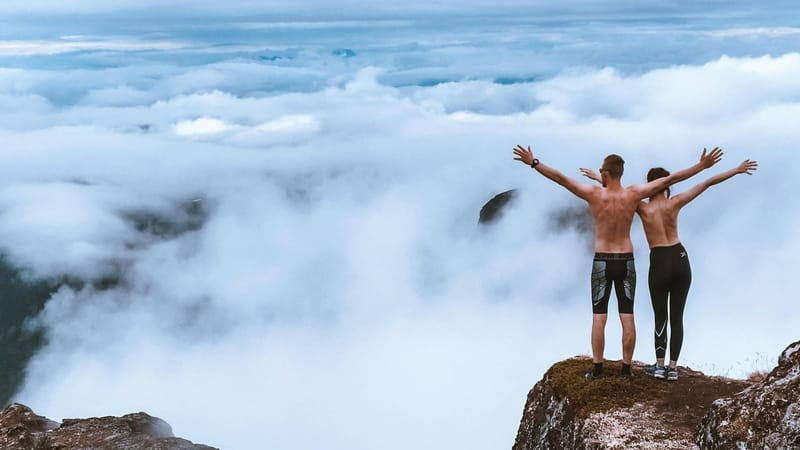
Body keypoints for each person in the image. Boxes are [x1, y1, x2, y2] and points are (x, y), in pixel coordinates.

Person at [513, 145, 723, 379]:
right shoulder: (633, 195)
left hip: (602, 260)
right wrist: (700, 167)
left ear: (605, 173)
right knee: (627, 315)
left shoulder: (593, 194)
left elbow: (562, 179)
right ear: (621, 173)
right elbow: (671, 179)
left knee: (599, 317)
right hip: (626, 260)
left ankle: (597, 368)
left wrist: (534, 163)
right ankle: (626, 369)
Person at [581, 158, 757, 381]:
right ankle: (673, 369)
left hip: (660, 261)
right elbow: (708, 182)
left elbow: (619, 196)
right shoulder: (676, 202)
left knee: (660, 315)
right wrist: (736, 169)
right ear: (665, 185)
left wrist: (600, 179)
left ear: (651, 185)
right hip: (681, 258)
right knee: (677, 317)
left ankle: (660, 365)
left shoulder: (642, 208)